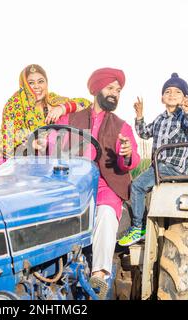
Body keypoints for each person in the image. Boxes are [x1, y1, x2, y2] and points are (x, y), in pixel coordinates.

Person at [48, 67, 140, 299]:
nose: (115, 94)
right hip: (73, 185)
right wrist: (43, 146)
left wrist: (127, 154)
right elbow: (53, 144)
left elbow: (131, 158)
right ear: (97, 89)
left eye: (118, 91)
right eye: (110, 88)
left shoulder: (122, 126)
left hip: (105, 186)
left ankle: (100, 273)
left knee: (107, 213)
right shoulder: (71, 119)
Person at [118, 72, 188, 247]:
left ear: (185, 98)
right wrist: (140, 115)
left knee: (137, 186)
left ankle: (137, 227)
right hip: (158, 167)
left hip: (173, 168)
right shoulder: (160, 119)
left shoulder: (185, 118)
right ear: (162, 98)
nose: (172, 94)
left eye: (177, 92)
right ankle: (145, 221)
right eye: (168, 91)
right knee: (135, 187)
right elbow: (144, 133)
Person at [0, 64, 91, 174]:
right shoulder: (13, 106)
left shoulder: (52, 99)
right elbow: (8, 143)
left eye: (40, 81)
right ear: (24, 85)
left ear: (46, 83)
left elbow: (86, 104)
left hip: (47, 161)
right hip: (14, 163)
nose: (37, 86)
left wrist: (62, 108)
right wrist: (29, 144)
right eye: (31, 83)